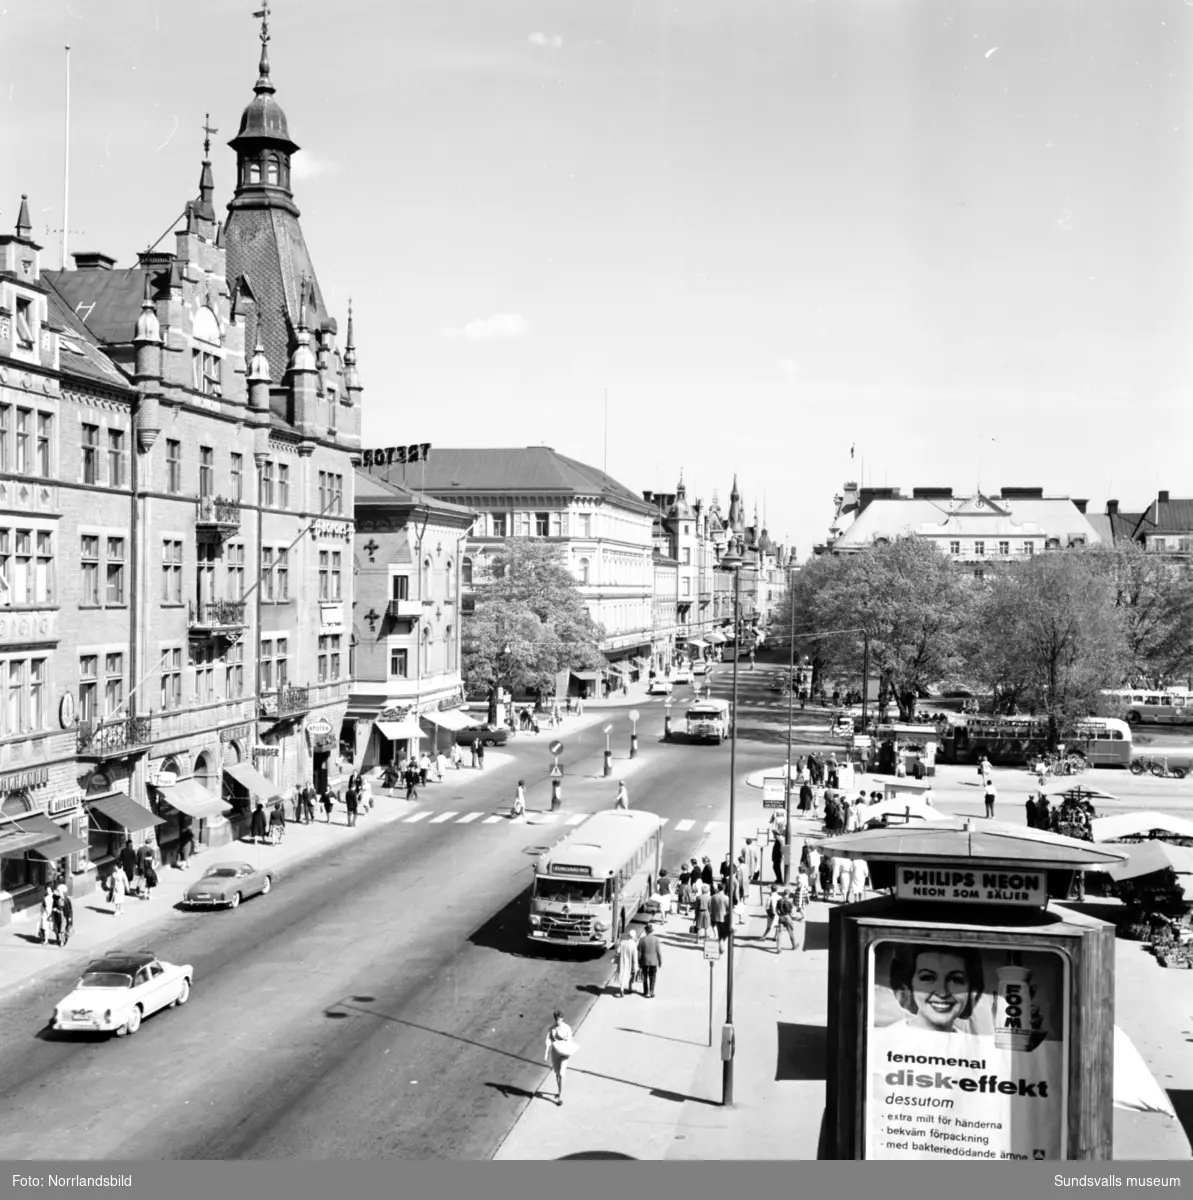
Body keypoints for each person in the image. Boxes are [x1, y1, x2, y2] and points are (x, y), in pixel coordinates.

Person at [886, 944, 985, 1034]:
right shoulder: (882, 1042)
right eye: (928, 978)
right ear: (909, 985)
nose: (942, 992)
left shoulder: (975, 1048)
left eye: (955, 979)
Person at [544, 1010, 575, 1105]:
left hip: (564, 1053)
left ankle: (560, 1097)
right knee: (557, 1074)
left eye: (560, 1019)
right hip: (555, 1053)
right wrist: (546, 1053)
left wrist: (565, 1040)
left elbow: (570, 1040)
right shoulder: (552, 1029)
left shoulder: (567, 1028)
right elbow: (548, 1041)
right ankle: (559, 1091)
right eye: (557, 1020)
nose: (558, 1022)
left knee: (561, 1074)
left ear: (562, 1019)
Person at [637, 922, 663, 997]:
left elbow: (639, 953)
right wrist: (660, 962)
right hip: (653, 961)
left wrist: (639, 962)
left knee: (645, 976)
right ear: (651, 931)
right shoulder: (656, 940)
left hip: (644, 961)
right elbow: (659, 952)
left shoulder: (642, 940)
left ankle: (645, 991)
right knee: (653, 976)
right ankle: (651, 991)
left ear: (645, 931)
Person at [614, 928, 637, 997]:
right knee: (630, 975)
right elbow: (635, 957)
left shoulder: (623, 942)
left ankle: (621, 989)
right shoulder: (634, 945)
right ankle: (630, 987)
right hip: (630, 962)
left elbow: (618, 951)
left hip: (622, 961)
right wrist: (635, 966)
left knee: (622, 975)